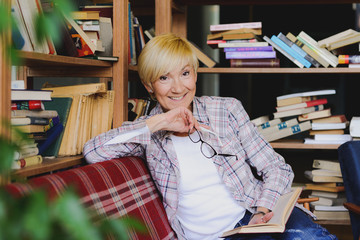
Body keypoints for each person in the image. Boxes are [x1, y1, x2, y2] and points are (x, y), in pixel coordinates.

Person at [83, 33, 337, 240]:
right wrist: (159, 121)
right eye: (163, 78)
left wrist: (263, 211)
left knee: (310, 238)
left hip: (259, 212)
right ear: (149, 86)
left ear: (195, 74)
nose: (178, 88)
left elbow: (276, 167)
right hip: (218, 235)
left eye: (185, 73)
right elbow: (93, 151)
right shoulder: (147, 133)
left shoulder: (226, 110)